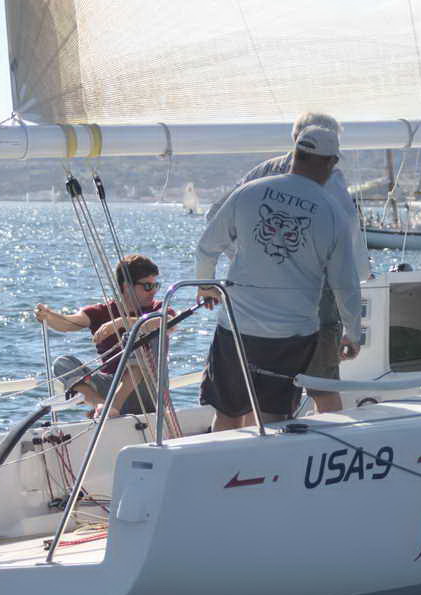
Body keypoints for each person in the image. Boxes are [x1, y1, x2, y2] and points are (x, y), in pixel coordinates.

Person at [196, 125, 363, 432]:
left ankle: (221, 461)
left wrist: (206, 285)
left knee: (228, 414)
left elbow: (207, 247)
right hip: (291, 335)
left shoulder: (249, 192)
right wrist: (353, 332)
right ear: (330, 162)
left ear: (295, 155)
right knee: (272, 418)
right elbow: (345, 284)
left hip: (236, 327)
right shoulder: (333, 212)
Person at [35, 254, 173, 416]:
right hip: (111, 387)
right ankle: (101, 405)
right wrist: (48, 316)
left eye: (156, 285)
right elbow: (68, 323)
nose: (154, 291)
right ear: (127, 286)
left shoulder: (159, 309)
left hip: (149, 389)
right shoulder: (101, 311)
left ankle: (112, 407)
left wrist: (120, 322)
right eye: (148, 286)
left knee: (140, 335)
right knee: (62, 364)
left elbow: (169, 322)